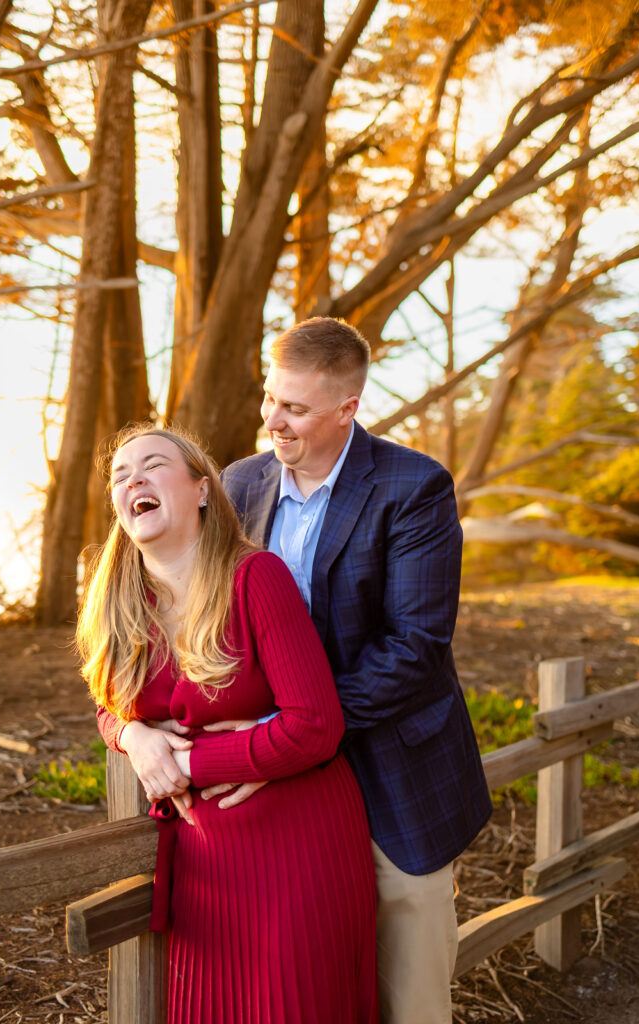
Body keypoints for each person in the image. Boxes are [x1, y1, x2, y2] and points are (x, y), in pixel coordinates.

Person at [218, 317, 493, 1024]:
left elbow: (414, 645)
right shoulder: (239, 483)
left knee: (409, 975)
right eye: (271, 400)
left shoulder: (414, 486)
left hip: (391, 755)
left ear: (348, 408)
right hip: (281, 765)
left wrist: (296, 733)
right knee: (304, 971)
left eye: (297, 409)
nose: (274, 421)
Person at [78, 423, 379, 1024]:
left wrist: (186, 764)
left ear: (202, 490)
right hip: (200, 856)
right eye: (119, 475)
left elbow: (314, 725)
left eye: (154, 464)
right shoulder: (116, 596)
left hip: (296, 842)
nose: (131, 478)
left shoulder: (255, 578)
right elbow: (107, 700)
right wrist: (133, 737)